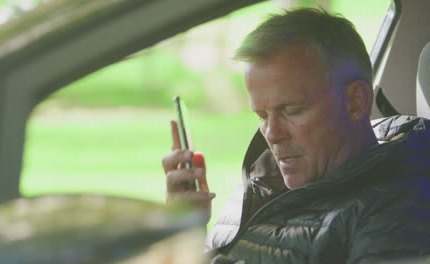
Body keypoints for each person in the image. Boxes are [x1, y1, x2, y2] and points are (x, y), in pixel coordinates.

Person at [162, 8, 430, 264]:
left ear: (355, 101)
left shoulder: (399, 211)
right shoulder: (266, 176)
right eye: (262, 116)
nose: (272, 135)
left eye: (291, 111)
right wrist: (185, 232)